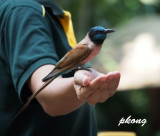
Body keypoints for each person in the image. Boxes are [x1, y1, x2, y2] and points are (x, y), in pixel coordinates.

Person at [0, 0, 120, 135]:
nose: (103, 33)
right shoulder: (23, 11)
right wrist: (82, 82)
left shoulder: (50, 12)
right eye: (99, 31)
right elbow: (47, 94)